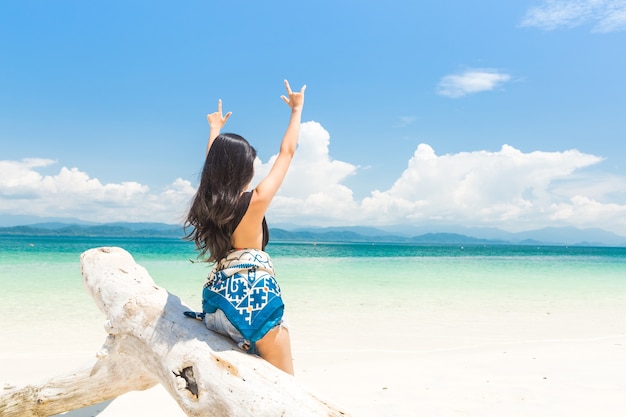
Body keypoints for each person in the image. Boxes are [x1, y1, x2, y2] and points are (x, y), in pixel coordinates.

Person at [184, 80, 306, 375]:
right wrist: (296, 110)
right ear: (244, 170)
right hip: (256, 299)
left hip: (216, 304)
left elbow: (213, 164)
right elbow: (287, 152)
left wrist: (214, 130)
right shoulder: (256, 202)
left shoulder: (209, 205)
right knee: (288, 388)